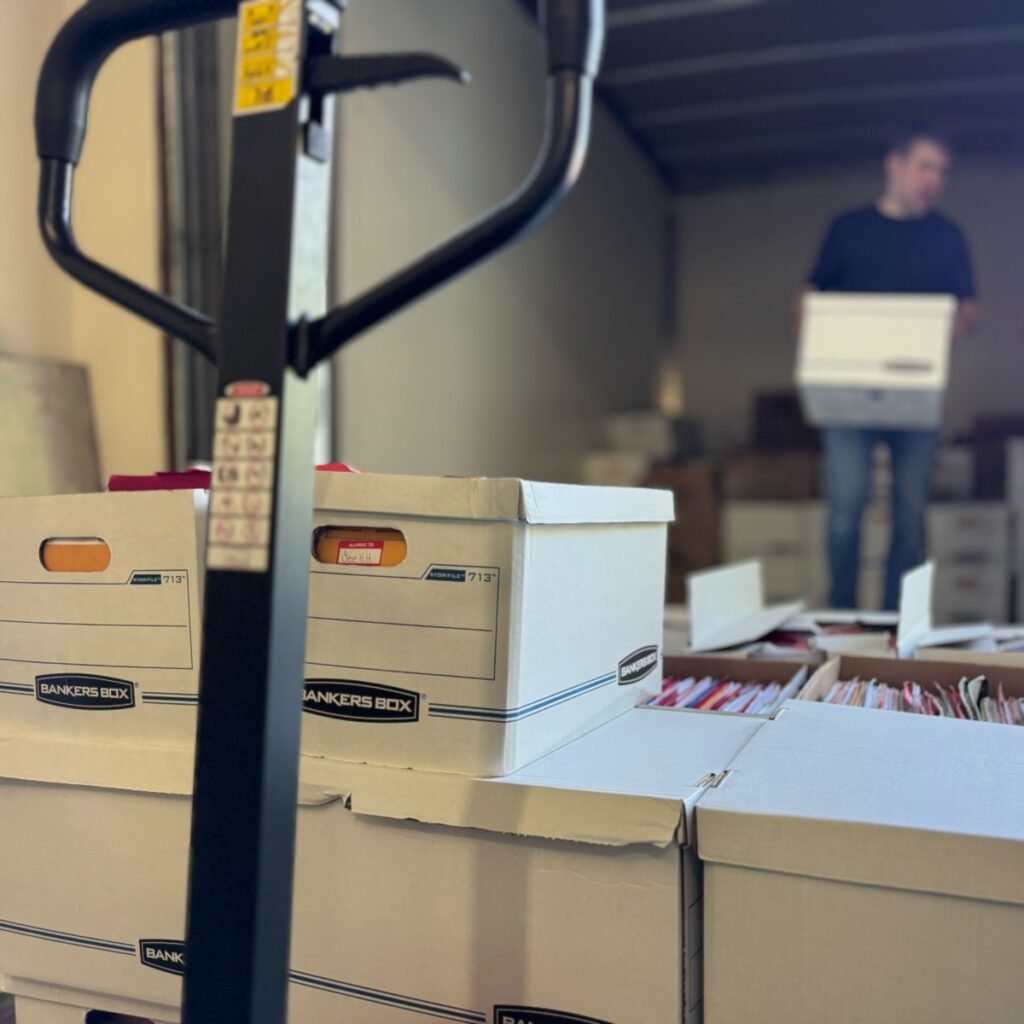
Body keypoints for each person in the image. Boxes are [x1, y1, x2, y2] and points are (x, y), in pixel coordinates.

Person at [806, 127, 978, 611]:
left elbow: (969, 308)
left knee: (910, 512)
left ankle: (892, 623)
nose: (933, 179)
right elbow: (812, 294)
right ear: (895, 165)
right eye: (925, 166)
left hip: (915, 393)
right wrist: (811, 328)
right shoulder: (848, 228)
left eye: (941, 171)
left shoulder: (947, 237)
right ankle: (841, 616)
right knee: (846, 508)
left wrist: (952, 326)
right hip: (849, 390)